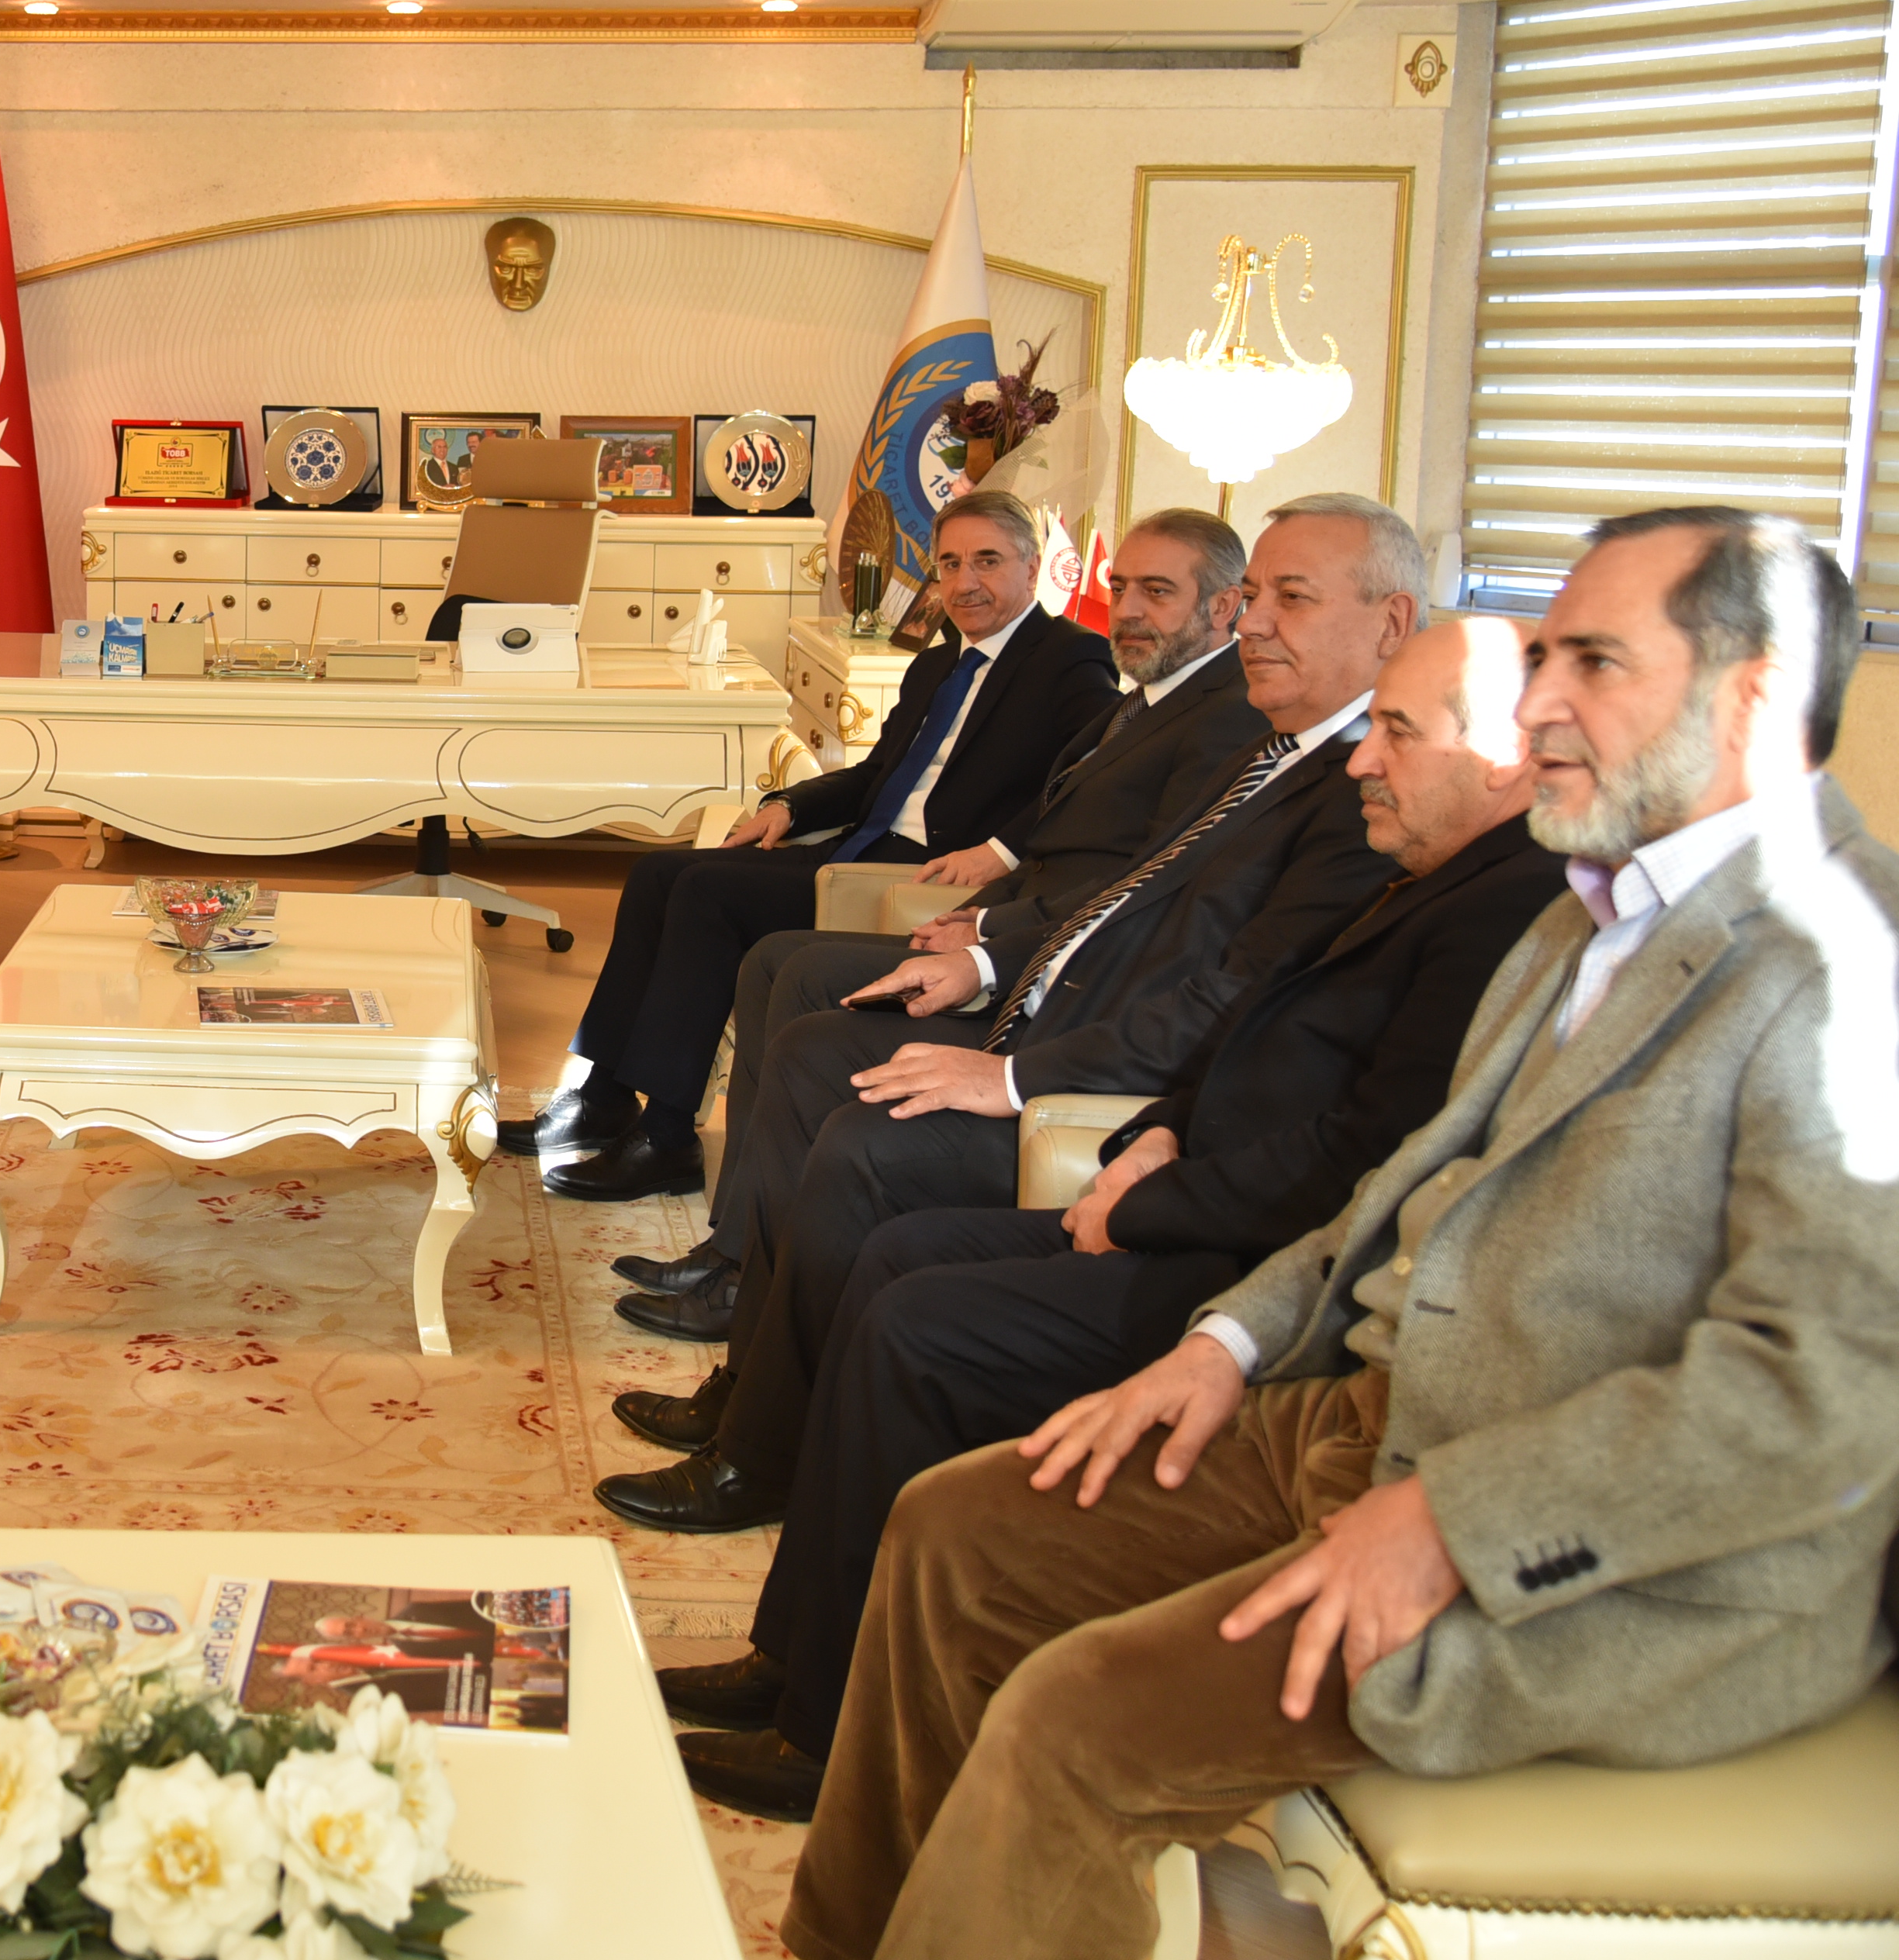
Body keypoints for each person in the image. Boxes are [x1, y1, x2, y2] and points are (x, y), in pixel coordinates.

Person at [783, 508, 1899, 1960]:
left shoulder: (1846, 967)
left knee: (1076, 1719)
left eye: (1596, 664)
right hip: (1373, 1416)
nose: (1539, 708)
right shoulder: (1592, 907)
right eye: (1546, 658)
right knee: (958, 1532)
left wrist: (1450, 1522)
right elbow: (1412, 1184)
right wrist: (1227, 1343)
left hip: (1608, 1563)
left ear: (1752, 695)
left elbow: (1816, 1398)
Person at [654, 615, 1569, 1820]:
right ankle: (796, 1661)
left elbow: (1365, 1156)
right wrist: (1160, 1135)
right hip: (1178, 1166)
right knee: (891, 1262)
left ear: (1505, 754)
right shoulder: (1430, 858)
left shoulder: (1508, 908)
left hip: (1256, 1266)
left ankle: (829, 1732)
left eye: (1398, 732)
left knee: (914, 1314)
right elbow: (1255, 1026)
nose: (1366, 757)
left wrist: (1148, 1189)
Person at [602, 496, 1414, 1510]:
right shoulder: (1273, 753)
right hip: (1053, 1000)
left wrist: (1018, 1069)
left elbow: (1227, 997)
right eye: (1255, 597)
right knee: (812, 1044)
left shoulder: (1344, 790)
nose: (1254, 623)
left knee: (859, 1133)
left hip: (1105, 1084)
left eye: (1289, 599)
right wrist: (989, 962)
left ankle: (756, 1454)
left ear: (1392, 625)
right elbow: (1129, 894)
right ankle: (747, 1386)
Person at [612, 509, 1262, 1278]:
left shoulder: (1173, 699)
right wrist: (796, 805)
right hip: (973, 905)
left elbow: (1139, 886)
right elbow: (920, 786)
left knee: (767, 949)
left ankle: (730, 1238)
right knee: (718, 916)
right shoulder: (1121, 698)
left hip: (1029, 951)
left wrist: (991, 917)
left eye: (1156, 591)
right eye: (1119, 587)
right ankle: (705, 1207)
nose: (1127, 609)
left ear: (1225, 605)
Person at [531, 490, 1117, 1202]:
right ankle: (605, 1095)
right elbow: (876, 775)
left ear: (1030, 567)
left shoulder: (1069, 657)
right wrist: (789, 804)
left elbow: (1096, 773)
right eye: (950, 564)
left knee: (707, 894)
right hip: (858, 848)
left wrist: (1002, 849)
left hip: (926, 876)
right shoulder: (936, 665)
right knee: (657, 872)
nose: (965, 582)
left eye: (987, 562)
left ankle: (668, 1135)